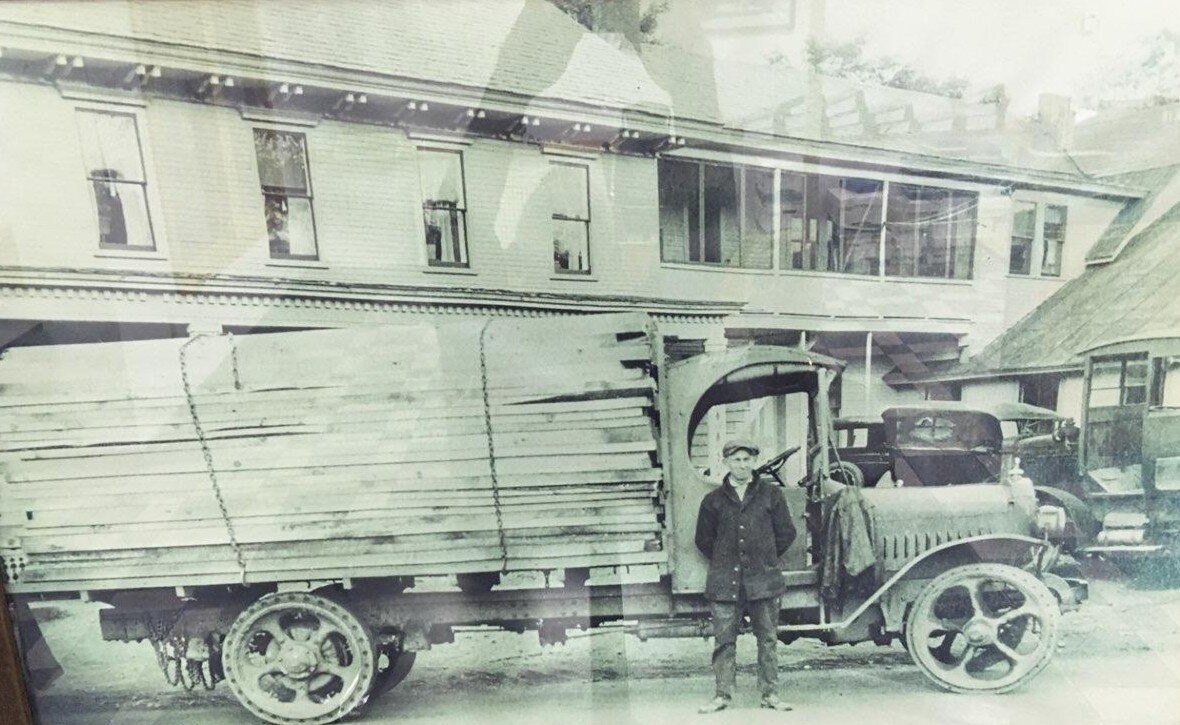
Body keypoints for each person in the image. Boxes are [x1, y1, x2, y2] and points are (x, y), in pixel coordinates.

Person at [694, 439, 796, 714]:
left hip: (764, 582)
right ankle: (722, 696)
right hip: (725, 583)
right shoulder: (713, 500)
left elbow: (786, 533)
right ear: (726, 463)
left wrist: (765, 558)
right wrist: (726, 560)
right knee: (724, 642)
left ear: (753, 462)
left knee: (768, 639)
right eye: (736, 460)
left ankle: (771, 695)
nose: (742, 465)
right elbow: (704, 540)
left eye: (747, 459)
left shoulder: (771, 495)